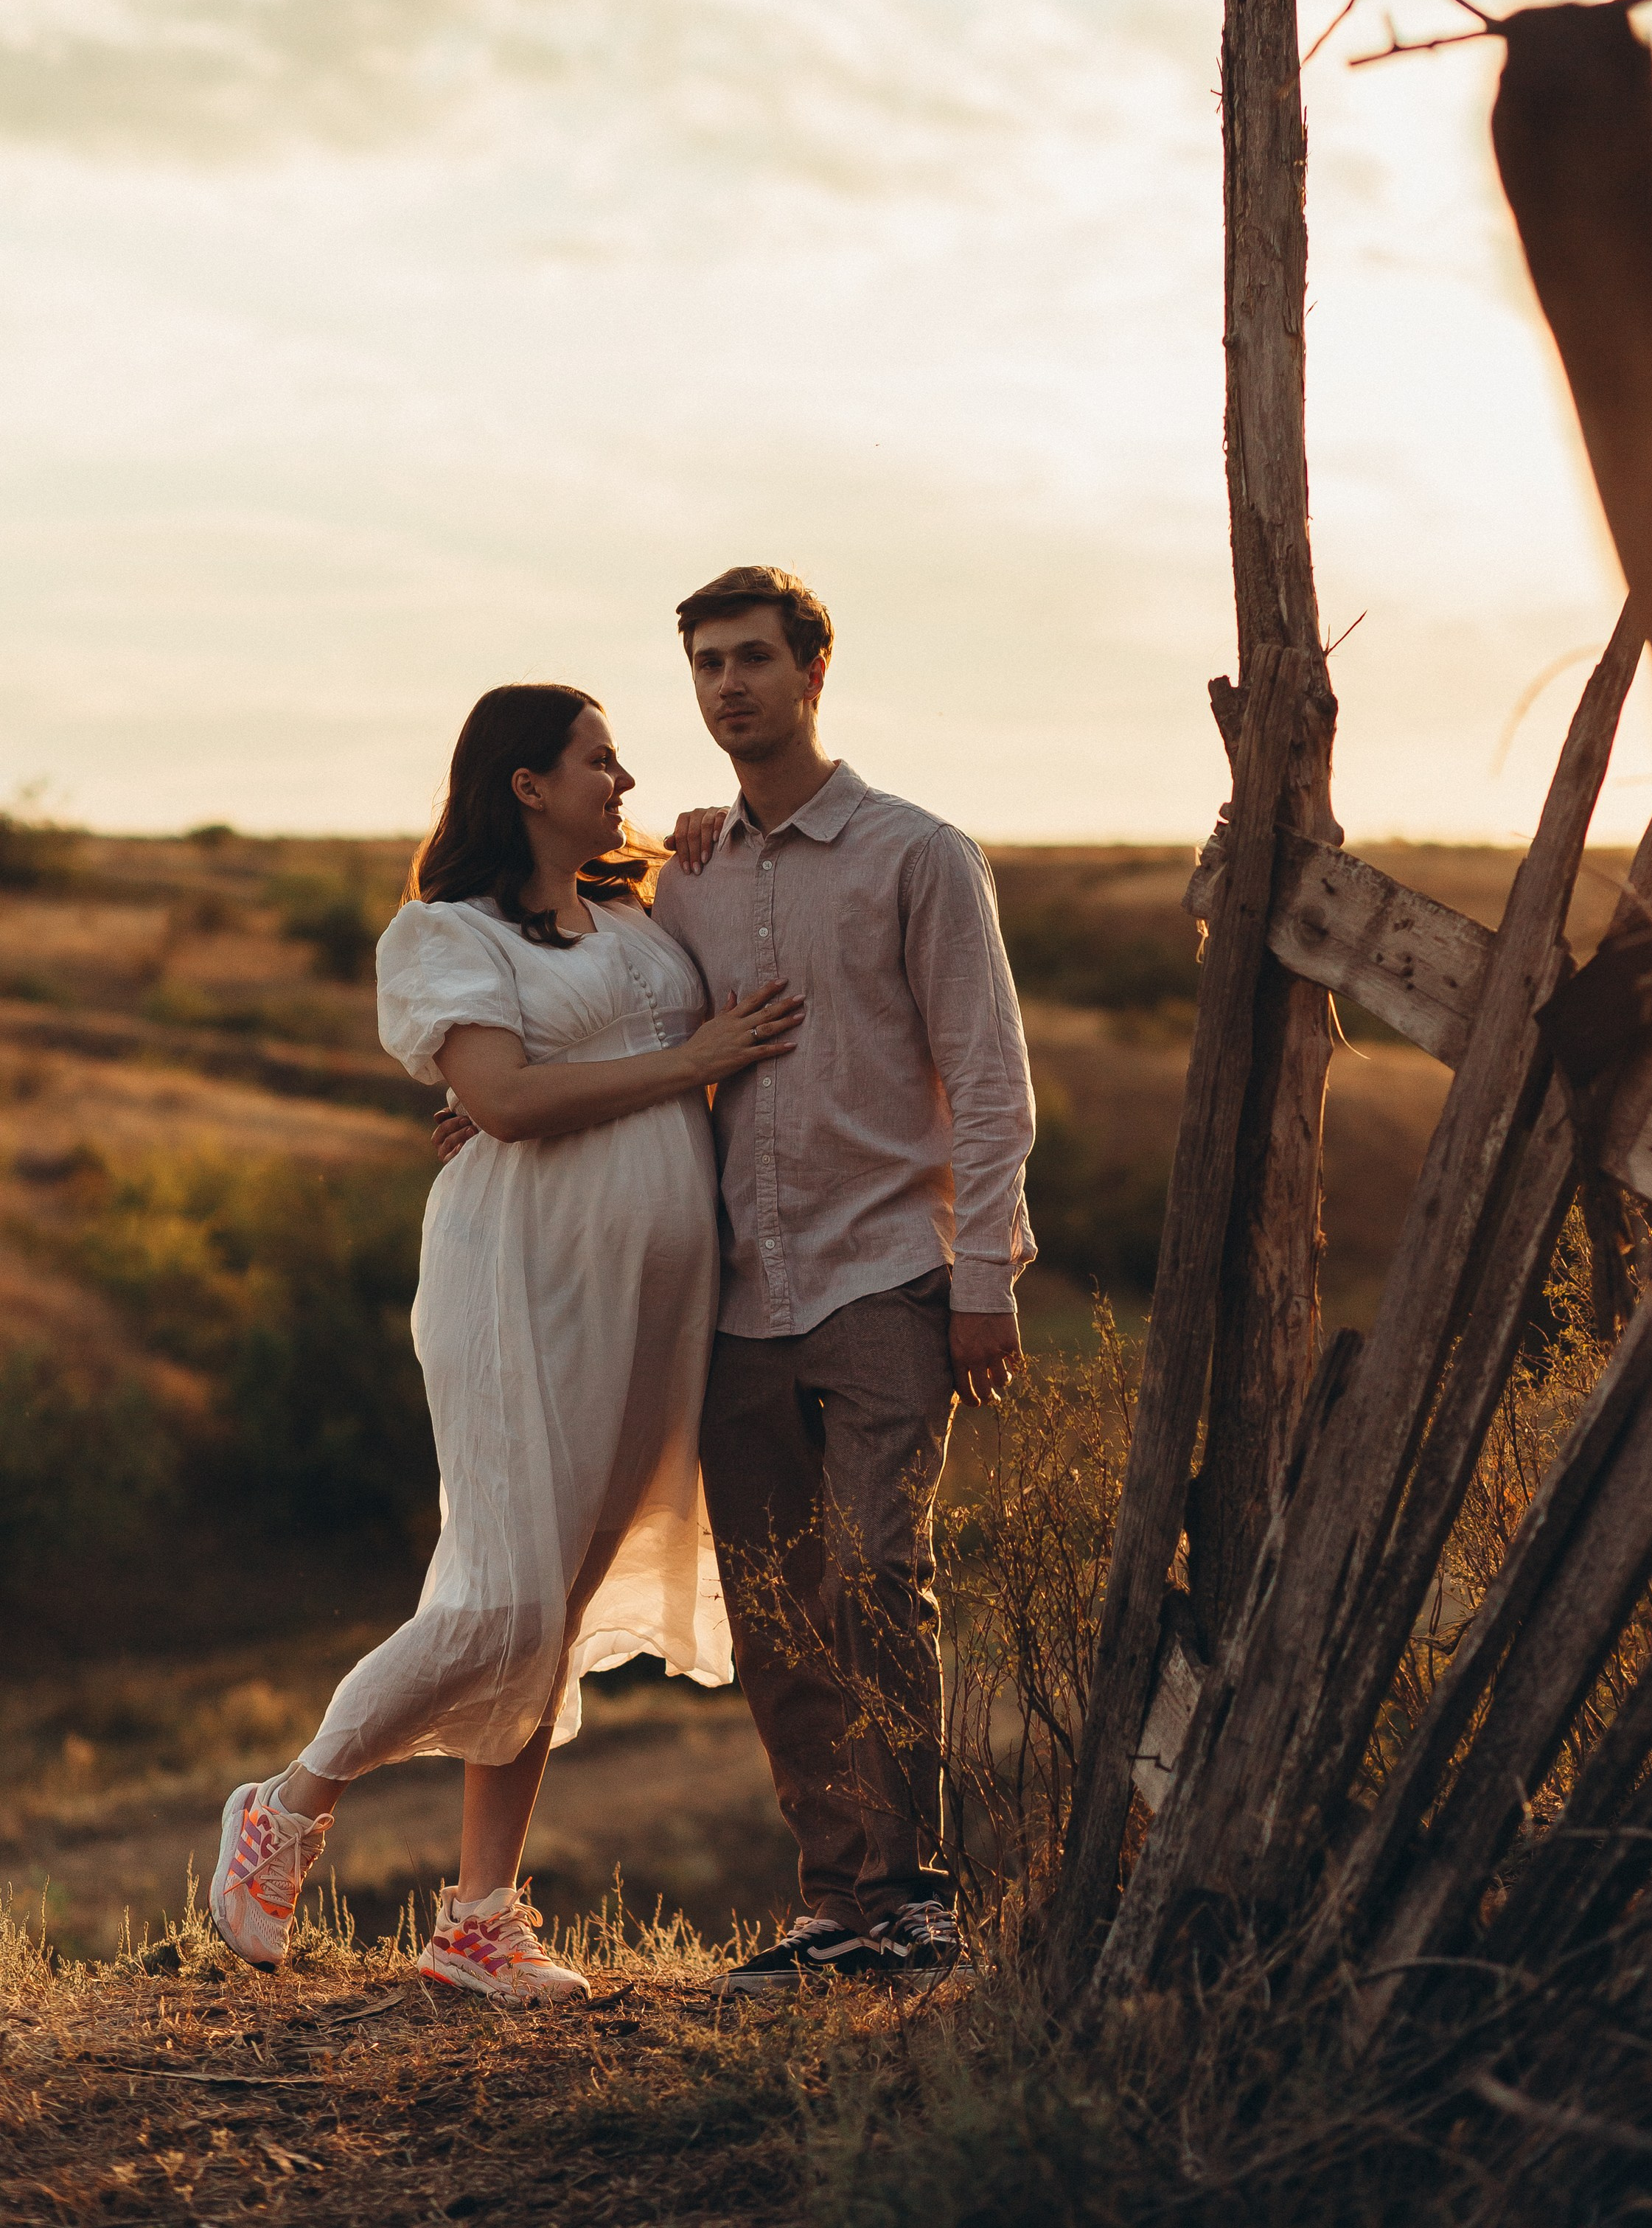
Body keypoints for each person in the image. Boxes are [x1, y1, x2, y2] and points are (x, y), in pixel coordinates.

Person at [445, 569, 1037, 1993]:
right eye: (707, 665)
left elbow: (991, 1081)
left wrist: (986, 1271)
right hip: (734, 1299)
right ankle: (840, 1904)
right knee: (774, 1604)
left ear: (812, 670)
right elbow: (595, 988)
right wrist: (500, 1091)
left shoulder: (920, 856)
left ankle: (916, 1899)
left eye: (754, 659)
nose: (728, 688)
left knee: (879, 1572)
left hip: (887, 1269)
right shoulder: (684, 870)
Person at [209, 683, 802, 2002]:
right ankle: (286, 1807)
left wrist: (709, 837)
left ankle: (478, 1919)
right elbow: (506, 1102)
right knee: (503, 1596)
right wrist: (688, 1057)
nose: (625, 776)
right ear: (527, 784)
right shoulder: (445, 934)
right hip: (517, 1284)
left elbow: (588, 1059)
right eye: (599, 759)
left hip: (652, 1302)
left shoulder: (637, 920)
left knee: (558, 1610)